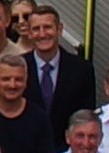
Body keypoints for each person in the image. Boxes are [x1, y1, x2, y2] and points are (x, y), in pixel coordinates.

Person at [22, 7, 95, 135]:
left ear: (60, 29)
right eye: (36, 29)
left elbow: (85, 116)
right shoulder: (19, 67)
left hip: (67, 150)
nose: (42, 34)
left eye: (47, 27)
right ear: (29, 33)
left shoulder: (82, 69)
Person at [0, 55, 53, 153]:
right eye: (5, 79)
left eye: (18, 79)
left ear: (26, 81)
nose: (12, 85)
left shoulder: (39, 118)